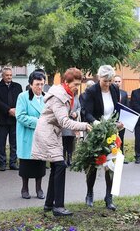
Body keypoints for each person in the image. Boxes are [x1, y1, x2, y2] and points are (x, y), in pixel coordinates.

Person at [31, 67, 92, 217]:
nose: (77, 88)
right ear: (66, 81)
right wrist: (83, 126)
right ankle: (58, 206)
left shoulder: (67, 93)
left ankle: (49, 204)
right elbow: (64, 121)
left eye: (78, 85)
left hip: (53, 132)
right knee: (60, 165)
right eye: (75, 84)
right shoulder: (58, 96)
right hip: (47, 132)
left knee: (56, 166)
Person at [83, 65, 124, 211]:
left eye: (110, 81)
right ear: (99, 77)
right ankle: (89, 194)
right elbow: (86, 113)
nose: (107, 84)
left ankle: (109, 197)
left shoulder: (114, 89)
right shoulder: (91, 91)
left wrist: (119, 121)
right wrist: (97, 123)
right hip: (95, 131)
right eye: (105, 81)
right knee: (94, 165)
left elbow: (116, 109)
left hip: (111, 132)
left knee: (111, 165)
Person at [16, 71, 47, 200]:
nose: (40, 87)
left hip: (42, 136)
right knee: (26, 163)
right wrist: (39, 122)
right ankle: (25, 188)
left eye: (42, 84)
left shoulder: (47, 97)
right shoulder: (23, 97)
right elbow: (20, 116)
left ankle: (39, 188)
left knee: (40, 163)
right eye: (37, 84)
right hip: (28, 135)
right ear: (30, 84)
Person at [0, 67, 22, 171]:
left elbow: (20, 101)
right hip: (2, 120)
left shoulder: (17, 86)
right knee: (1, 143)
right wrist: (9, 110)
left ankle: (13, 163)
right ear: (2, 76)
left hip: (14, 119)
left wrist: (16, 110)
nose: (9, 77)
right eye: (7, 75)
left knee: (14, 143)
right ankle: (2, 164)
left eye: (10, 75)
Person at [62, 91, 81, 167]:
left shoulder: (76, 97)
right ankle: (63, 158)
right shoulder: (63, 95)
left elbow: (79, 107)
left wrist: (76, 113)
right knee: (63, 142)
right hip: (64, 123)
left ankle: (70, 158)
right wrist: (69, 113)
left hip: (73, 123)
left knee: (71, 142)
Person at [113, 75, 129, 164]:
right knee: (112, 139)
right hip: (112, 120)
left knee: (121, 138)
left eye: (119, 81)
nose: (117, 83)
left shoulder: (124, 93)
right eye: (115, 81)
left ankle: (121, 157)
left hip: (122, 120)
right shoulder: (110, 92)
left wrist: (125, 119)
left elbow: (126, 107)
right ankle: (112, 157)